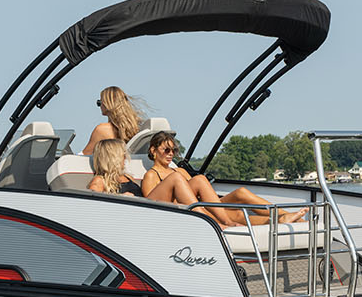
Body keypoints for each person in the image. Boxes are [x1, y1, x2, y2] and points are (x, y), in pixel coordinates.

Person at [140, 131, 305, 226]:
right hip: (186, 212)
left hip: (204, 207)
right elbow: (150, 208)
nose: (171, 154)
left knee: (241, 193)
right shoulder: (151, 175)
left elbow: (200, 194)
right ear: (153, 150)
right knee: (235, 214)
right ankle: (225, 223)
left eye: (174, 151)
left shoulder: (180, 171)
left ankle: (283, 216)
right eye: (166, 150)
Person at [88, 139, 217, 213]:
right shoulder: (99, 181)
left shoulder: (128, 177)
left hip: (146, 208)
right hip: (140, 214)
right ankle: (207, 221)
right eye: (122, 155)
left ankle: (219, 221)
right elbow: (92, 207)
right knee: (176, 178)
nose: (125, 158)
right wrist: (120, 198)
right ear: (113, 158)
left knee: (199, 179)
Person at [81, 86, 144, 155]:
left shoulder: (102, 130)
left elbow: (85, 155)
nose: (100, 106)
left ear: (107, 103)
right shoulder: (136, 129)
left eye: (99, 102)